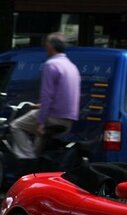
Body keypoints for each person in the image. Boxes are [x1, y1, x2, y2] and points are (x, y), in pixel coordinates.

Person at [10, 32, 81, 163]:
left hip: (53, 117)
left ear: (50, 46)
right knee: (38, 144)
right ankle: (36, 169)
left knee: (16, 126)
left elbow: (47, 95)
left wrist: (41, 122)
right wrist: (41, 106)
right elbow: (63, 95)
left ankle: (27, 161)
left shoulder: (51, 65)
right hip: (68, 119)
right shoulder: (72, 67)